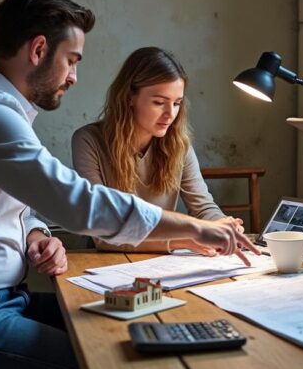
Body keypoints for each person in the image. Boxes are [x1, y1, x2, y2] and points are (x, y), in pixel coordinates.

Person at [0, 0, 258, 369]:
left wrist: (35, 236)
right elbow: (78, 201)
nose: (73, 76)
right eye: (71, 60)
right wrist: (194, 230)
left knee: (134, 331)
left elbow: (19, 206)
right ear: (37, 50)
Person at [72, 46, 235, 254]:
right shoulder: (88, 141)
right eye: (159, 102)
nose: (170, 114)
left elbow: (203, 207)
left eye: (177, 103)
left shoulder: (178, 143)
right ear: (129, 97)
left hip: (161, 264)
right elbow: (102, 235)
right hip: (107, 262)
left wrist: (224, 225)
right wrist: (180, 241)